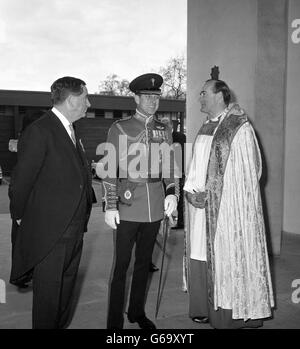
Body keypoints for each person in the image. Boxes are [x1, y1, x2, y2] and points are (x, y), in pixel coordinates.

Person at [183, 78, 274, 329]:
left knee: (225, 257)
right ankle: (203, 308)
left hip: (227, 211)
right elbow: (196, 166)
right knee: (199, 252)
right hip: (200, 206)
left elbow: (248, 173)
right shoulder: (205, 126)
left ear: (220, 95)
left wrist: (214, 197)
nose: (199, 97)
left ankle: (229, 317)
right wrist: (190, 192)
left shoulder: (239, 128)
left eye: (204, 93)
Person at [9, 76, 94, 329]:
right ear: (71, 100)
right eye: (85, 98)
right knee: (48, 299)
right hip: (51, 233)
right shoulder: (40, 130)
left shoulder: (70, 129)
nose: (88, 104)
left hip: (74, 228)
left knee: (65, 293)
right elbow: (21, 182)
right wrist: (22, 217)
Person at [101, 73, 178, 329]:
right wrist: (110, 204)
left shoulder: (164, 129)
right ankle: (114, 322)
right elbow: (109, 168)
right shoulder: (120, 128)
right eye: (146, 96)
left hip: (154, 206)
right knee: (121, 266)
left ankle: (136, 311)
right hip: (127, 205)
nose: (152, 101)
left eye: (156, 97)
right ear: (135, 97)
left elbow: (169, 166)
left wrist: (171, 192)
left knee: (144, 264)